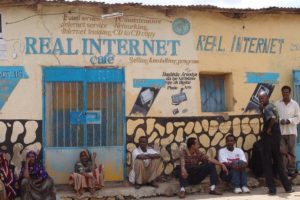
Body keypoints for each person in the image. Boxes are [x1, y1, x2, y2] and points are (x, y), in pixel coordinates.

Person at [258, 91, 294, 195]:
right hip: (276, 137)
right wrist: (261, 111)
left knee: (267, 163)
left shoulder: (268, 108)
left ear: (267, 97)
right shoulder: (272, 106)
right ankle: (288, 187)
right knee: (279, 163)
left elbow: (273, 118)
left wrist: (268, 129)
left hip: (269, 138)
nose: (261, 100)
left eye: (262, 98)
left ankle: (272, 189)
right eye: (260, 98)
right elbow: (269, 118)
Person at [275, 85, 300, 177]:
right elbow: (275, 116)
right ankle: (284, 171)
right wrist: (280, 120)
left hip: (292, 131)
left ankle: (291, 170)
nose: (285, 93)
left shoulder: (295, 104)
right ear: (281, 93)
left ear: (289, 93)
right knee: (282, 152)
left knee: (292, 152)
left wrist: (289, 120)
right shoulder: (277, 104)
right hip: (281, 132)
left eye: (287, 92)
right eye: (283, 92)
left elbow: (298, 117)